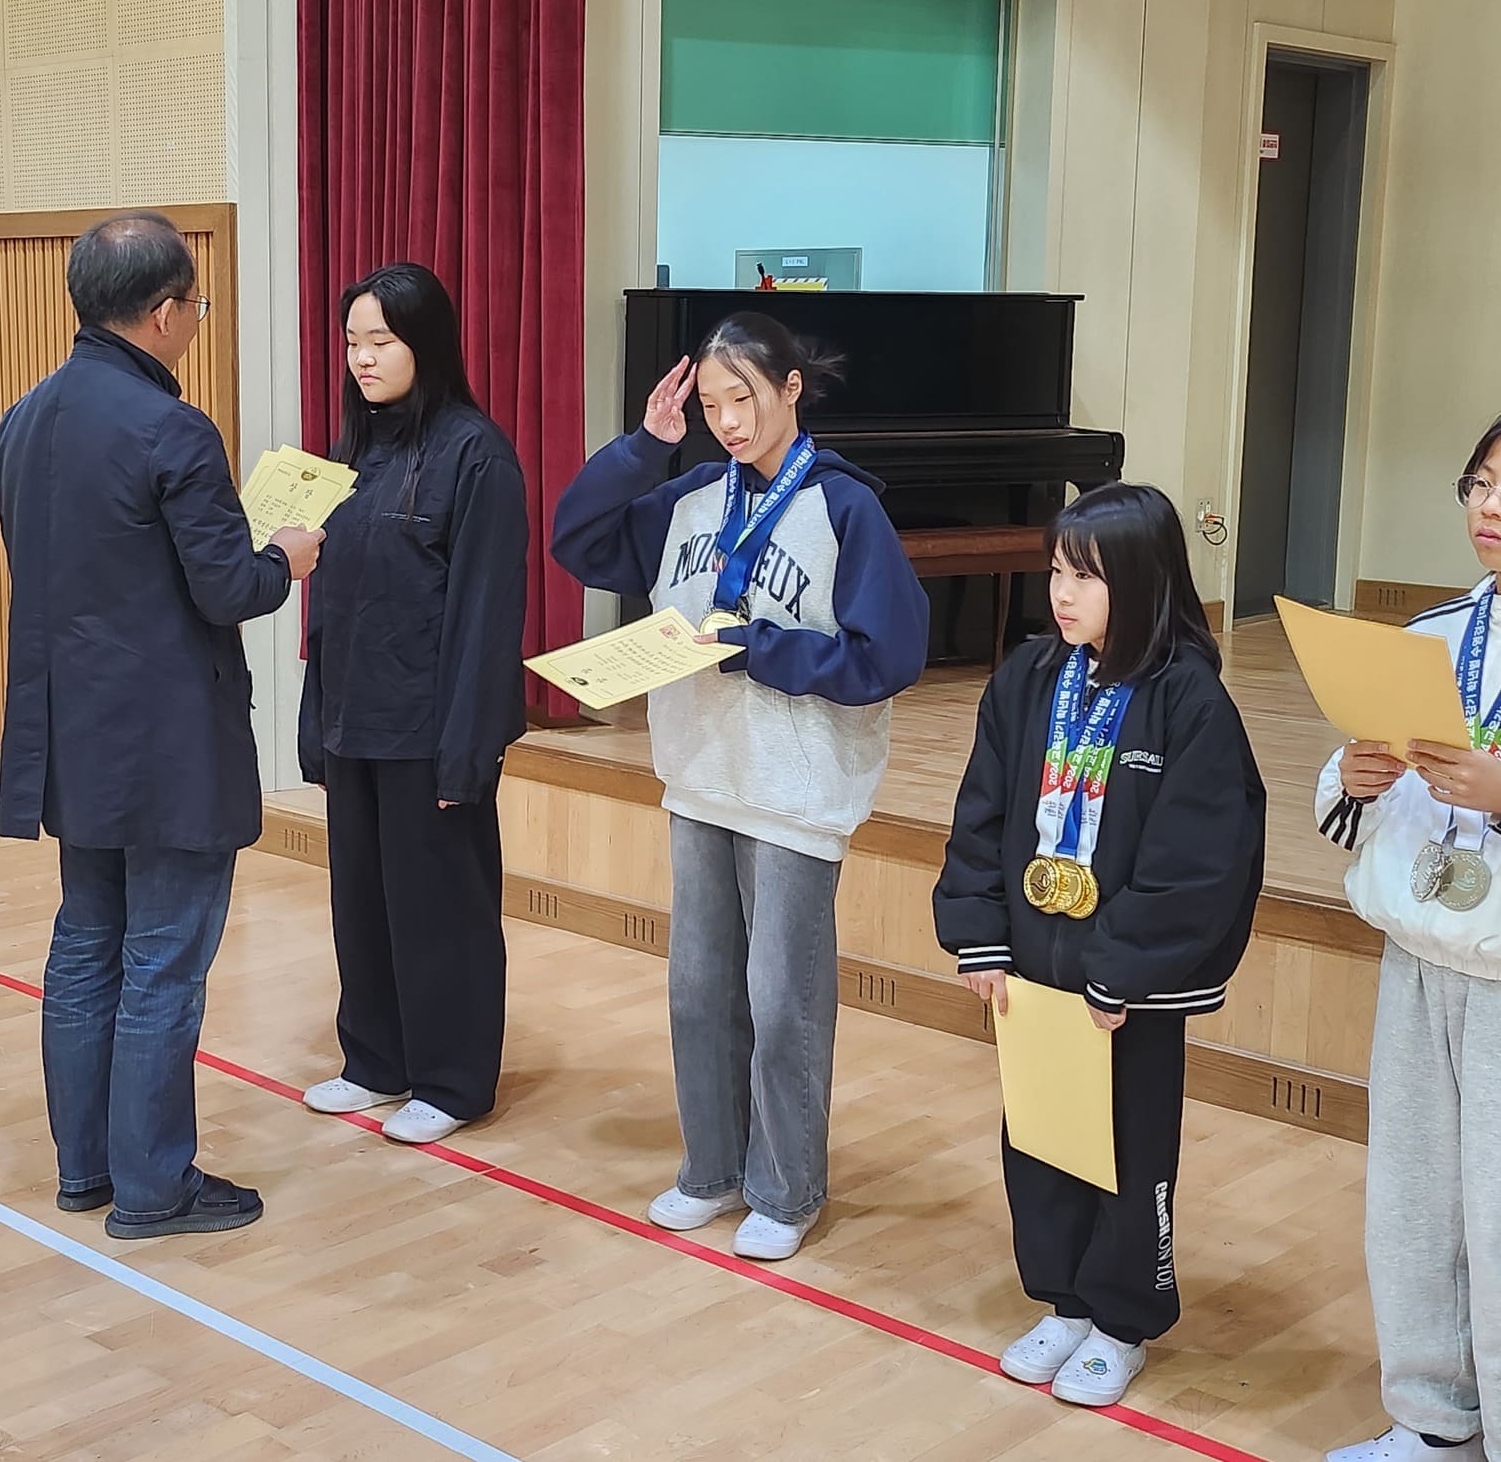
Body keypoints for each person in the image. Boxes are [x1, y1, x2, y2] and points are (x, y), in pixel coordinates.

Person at [551, 313, 929, 1261]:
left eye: (743, 399)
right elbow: (578, 539)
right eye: (711, 403)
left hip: (796, 792)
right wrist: (647, 443)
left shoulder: (844, 507)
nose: (726, 421)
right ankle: (711, 1170)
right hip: (700, 776)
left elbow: (890, 654)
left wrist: (755, 647)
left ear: (791, 389)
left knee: (781, 998)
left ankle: (787, 1188)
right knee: (698, 992)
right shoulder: (689, 496)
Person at [0, 211, 322, 1240]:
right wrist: (289, 557)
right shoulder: (170, 428)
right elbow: (226, 589)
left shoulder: (24, 416)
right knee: (162, 964)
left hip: (67, 732)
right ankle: (153, 1188)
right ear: (168, 311)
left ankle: (86, 1170)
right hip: (166, 742)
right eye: (195, 306)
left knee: (86, 948)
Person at [933, 483, 1265, 1409]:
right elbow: (982, 814)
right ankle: (1065, 1300)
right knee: (1038, 1138)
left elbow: (1198, 859)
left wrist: (1122, 967)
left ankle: (1122, 1318)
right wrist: (980, 935)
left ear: (1145, 580)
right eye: (1055, 571)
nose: (1061, 593)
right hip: (1034, 971)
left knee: (1128, 1147)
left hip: (1126, 987)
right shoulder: (1029, 678)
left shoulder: (1190, 700)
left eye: (1085, 576)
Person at [296, 263, 528, 1146]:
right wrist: (318, 722)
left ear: (424, 343)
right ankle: (376, 1061)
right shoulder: (354, 451)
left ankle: (453, 1077)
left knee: (442, 910)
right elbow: (333, 604)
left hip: (431, 731)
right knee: (363, 903)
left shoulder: (477, 454)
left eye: (381, 341)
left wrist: (466, 751)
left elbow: (482, 618)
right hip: (357, 720)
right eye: (353, 341)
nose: (361, 357)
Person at [1317, 419, 1501, 1462]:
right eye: (1475, 484)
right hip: (1416, 953)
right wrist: (1347, 778)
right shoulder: (1429, 633)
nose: (1486, 508)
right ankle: (1433, 1421)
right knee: (1411, 1205)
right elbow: (1355, 780)